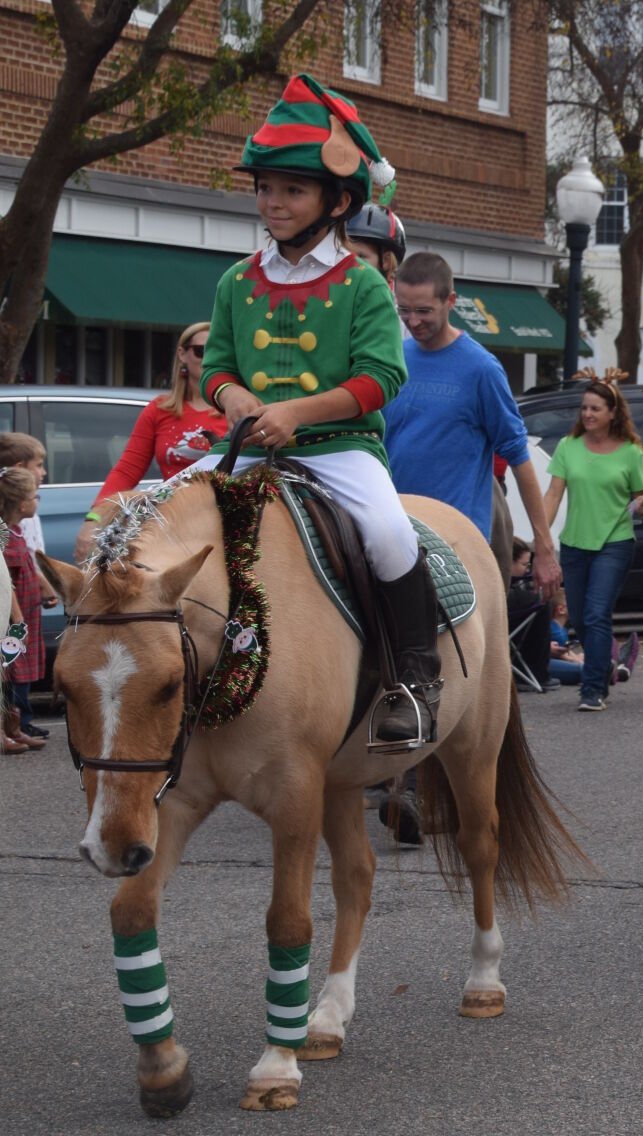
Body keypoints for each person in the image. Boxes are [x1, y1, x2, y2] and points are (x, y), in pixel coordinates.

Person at [192, 74, 436, 747]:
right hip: (246, 447)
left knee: (389, 535)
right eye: (265, 187)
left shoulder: (362, 283)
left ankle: (413, 682)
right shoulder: (235, 280)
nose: (273, 201)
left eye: (291, 189)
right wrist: (233, 397)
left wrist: (297, 414)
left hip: (340, 449)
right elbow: (215, 368)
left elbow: (382, 376)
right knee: (157, 514)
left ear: (335, 198)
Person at [384, 250, 561, 597]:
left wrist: (543, 546)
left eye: (423, 311)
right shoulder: (395, 360)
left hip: (457, 541)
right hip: (395, 534)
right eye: (404, 310)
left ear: (450, 301)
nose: (413, 321)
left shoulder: (481, 369)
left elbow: (519, 458)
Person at [540, 369, 643, 711]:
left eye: (595, 409)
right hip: (575, 543)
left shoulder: (630, 450)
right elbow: (554, 494)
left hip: (615, 542)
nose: (587, 414)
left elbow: (642, 495)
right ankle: (603, 667)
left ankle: (592, 690)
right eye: (584, 408)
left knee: (597, 613)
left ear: (612, 413)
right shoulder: (568, 447)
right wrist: (540, 539)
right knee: (580, 618)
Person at [74, 322, 230, 560]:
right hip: (170, 522)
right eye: (201, 350)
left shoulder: (233, 409)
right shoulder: (159, 409)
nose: (209, 358)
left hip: (223, 522)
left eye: (217, 350)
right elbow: (128, 469)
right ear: (182, 354)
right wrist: (94, 518)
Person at [2, 466, 46, 751]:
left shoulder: (14, 531)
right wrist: (17, 620)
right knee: (7, 674)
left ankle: (13, 727)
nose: (37, 500)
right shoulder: (4, 537)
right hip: (10, 621)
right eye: (34, 496)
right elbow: (7, 584)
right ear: (20, 503)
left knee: (14, 674)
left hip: (24, 617)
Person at [346, 203, 406, 287]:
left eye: (360, 256)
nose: (348, 263)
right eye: (344, 255)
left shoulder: (395, 298)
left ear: (386, 261)